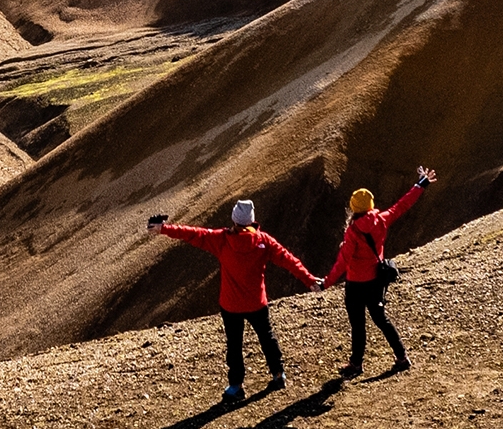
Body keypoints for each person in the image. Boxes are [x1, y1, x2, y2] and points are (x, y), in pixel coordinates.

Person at [149, 199, 321, 401]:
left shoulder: (221, 240)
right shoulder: (264, 241)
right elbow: (289, 260)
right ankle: (278, 374)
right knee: (267, 337)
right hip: (257, 303)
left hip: (231, 306)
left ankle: (236, 386)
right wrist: (309, 281)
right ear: (252, 220)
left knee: (235, 346)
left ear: (234, 219)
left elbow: (193, 234)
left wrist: (163, 228)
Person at [321, 166, 438, 374]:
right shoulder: (382, 219)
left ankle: (356, 364)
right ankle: (402, 357)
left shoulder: (353, 231)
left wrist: (325, 283)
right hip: (376, 280)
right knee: (381, 319)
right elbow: (403, 205)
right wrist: (421, 184)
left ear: (354, 208)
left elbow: (343, 261)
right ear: (371, 204)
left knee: (358, 326)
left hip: (356, 284)